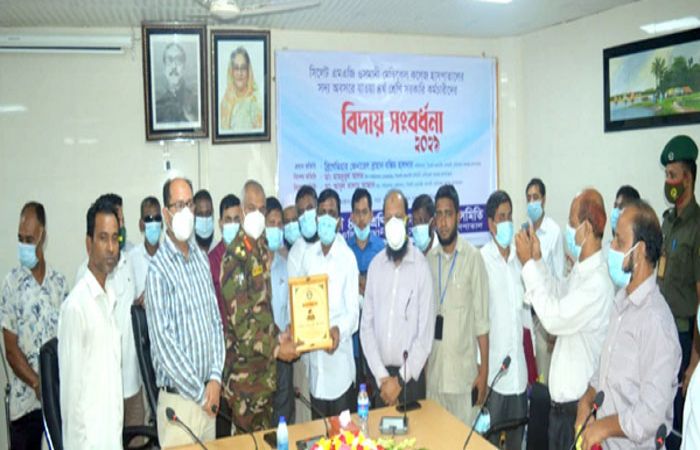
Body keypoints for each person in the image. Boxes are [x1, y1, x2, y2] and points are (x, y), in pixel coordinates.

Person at [576, 200, 681, 450]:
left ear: (640, 250)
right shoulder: (621, 303)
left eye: (619, 241)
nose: (611, 246)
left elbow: (650, 415)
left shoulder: (656, 322)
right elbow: (603, 375)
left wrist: (603, 427)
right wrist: (585, 401)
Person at [515, 188, 614, 450]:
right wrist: (537, 260)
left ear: (587, 228)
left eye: (571, 223)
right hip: (561, 408)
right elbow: (557, 294)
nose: (567, 229)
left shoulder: (597, 283)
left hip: (577, 409)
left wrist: (527, 265)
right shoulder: (582, 271)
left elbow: (554, 318)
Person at [145, 177, 225, 447]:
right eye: (179, 205)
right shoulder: (158, 270)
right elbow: (164, 346)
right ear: (166, 214)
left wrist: (215, 378)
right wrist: (201, 394)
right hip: (180, 405)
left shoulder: (201, 259)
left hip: (209, 399)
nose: (186, 212)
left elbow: (215, 323)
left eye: (189, 204)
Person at [220, 180, 298, 432]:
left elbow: (262, 312)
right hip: (245, 379)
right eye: (251, 208)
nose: (257, 214)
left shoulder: (261, 249)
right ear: (242, 211)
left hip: (264, 374)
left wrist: (280, 335)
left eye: (262, 209)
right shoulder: (235, 258)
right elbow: (242, 325)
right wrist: (277, 348)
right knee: (247, 443)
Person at [1, 202, 68, 450]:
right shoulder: (11, 284)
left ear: (43, 236)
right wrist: (38, 384)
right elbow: (10, 349)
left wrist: (52, 389)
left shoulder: (59, 284)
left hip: (56, 401)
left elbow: (66, 342)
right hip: (25, 405)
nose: (24, 245)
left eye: (29, 239)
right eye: (20, 239)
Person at [75, 193, 143, 436]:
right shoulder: (84, 278)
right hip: (102, 389)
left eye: (121, 223)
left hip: (132, 382)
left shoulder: (129, 262)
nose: (121, 227)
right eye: (106, 235)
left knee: (137, 442)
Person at [361, 189, 435, 407]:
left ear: (406, 220)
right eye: (388, 218)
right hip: (380, 381)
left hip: (411, 381)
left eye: (398, 217)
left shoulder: (421, 267)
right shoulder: (375, 267)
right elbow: (366, 328)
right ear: (382, 222)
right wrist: (382, 378)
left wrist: (399, 381)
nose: (393, 223)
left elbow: (425, 337)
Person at [59, 199, 123, 449]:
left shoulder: (109, 298)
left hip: (111, 439)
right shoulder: (76, 307)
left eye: (115, 238)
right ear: (89, 243)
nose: (111, 248)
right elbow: (71, 402)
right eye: (103, 238)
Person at [426, 184, 489, 425]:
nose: (443, 222)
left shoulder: (473, 258)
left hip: (463, 381)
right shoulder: (428, 261)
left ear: (458, 216)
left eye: (448, 214)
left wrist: (484, 373)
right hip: (435, 379)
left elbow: (482, 323)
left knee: (464, 441)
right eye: (439, 215)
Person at [299, 188, 360, 417]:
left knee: (343, 436)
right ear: (316, 218)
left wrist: (337, 330)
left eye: (331, 213)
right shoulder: (308, 257)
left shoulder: (347, 259)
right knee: (319, 434)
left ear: (339, 221)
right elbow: (301, 303)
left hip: (340, 374)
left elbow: (353, 314)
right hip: (316, 373)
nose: (326, 218)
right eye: (322, 212)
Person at [657, 135, 700, 450]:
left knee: (683, 423)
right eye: (666, 175)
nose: (668, 182)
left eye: (673, 175)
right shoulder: (668, 222)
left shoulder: (697, 226)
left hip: (686, 338)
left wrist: (696, 357)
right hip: (663, 335)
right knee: (663, 417)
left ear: (689, 178)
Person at [480, 191, 527, 450]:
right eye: (501, 217)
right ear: (491, 224)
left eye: (509, 216)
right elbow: (478, 322)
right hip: (494, 379)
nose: (507, 222)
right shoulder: (482, 261)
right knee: (488, 445)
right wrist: (480, 371)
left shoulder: (521, 259)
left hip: (518, 376)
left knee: (516, 445)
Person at [525, 178, 565, 385]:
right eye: (529, 198)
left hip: (545, 317)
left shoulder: (554, 232)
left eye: (536, 197)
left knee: (544, 378)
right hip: (528, 313)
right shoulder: (524, 232)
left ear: (544, 200)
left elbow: (558, 278)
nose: (532, 202)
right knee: (530, 375)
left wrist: (554, 329)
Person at [347, 188, 384, 387]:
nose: (361, 219)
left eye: (365, 212)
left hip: (377, 337)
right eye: (357, 213)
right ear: (351, 216)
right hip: (351, 341)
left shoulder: (382, 249)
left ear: (371, 215)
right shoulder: (344, 250)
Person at [266, 196, 294, 424]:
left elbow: (292, 311)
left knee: (283, 419)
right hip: (259, 358)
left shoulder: (286, 266)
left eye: (279, 224)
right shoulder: (249, 267)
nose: (276, 229)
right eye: (271, 223)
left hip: (283, 358)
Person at [219, 47, 263, 131]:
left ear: (248, 71)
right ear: (231, 72)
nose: (240, 73)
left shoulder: (255, 101)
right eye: (236, 68)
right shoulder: (225, 101)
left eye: (243, 68)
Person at [128, 196, 162, 300]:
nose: (154, 223)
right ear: (141, 224)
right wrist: (139, 302)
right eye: (149, 219)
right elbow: (126, 301)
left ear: (162, 223)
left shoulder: (171, 257)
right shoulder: (131, 259)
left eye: (157, 218)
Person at [156, 42, 198, 124]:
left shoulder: (196, 100)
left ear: (184, 68)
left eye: (178, 60)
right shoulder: (157, 105)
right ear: (164, 69)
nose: (174, 66)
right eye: (170, 60)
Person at [287, 185, 319, 278]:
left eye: (309, 208)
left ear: (318, 209)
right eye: (301, 212)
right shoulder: (294, 254)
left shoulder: (335, 242)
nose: (305, 215)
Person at [194, 189, 215, 254]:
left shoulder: (218, 250)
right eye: (200, 214)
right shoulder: (187, 251)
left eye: (208, 213)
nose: (204, 219)